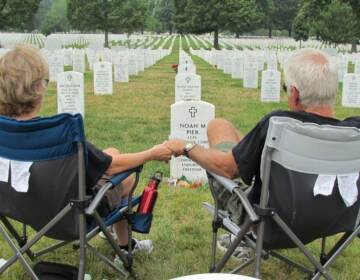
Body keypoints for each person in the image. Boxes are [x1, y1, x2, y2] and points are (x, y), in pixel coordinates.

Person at [165, 48, 360, 257]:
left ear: (294, 94)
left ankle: (238, 239)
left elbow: (226, 169)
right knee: (223, 127)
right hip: (337, 218)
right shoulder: (355, 130)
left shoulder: (280, 124)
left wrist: (186, 146)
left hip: (270, 223)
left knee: (217, 128)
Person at [0, 44, 173, 255]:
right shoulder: (57, 133)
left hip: (22, 209)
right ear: (37, 88)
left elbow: (103, 160)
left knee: (112, 151)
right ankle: (125, 247)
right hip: (71, 218)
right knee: (125, 177)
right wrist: (152, 153)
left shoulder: (6, 133)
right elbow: (111, 168)